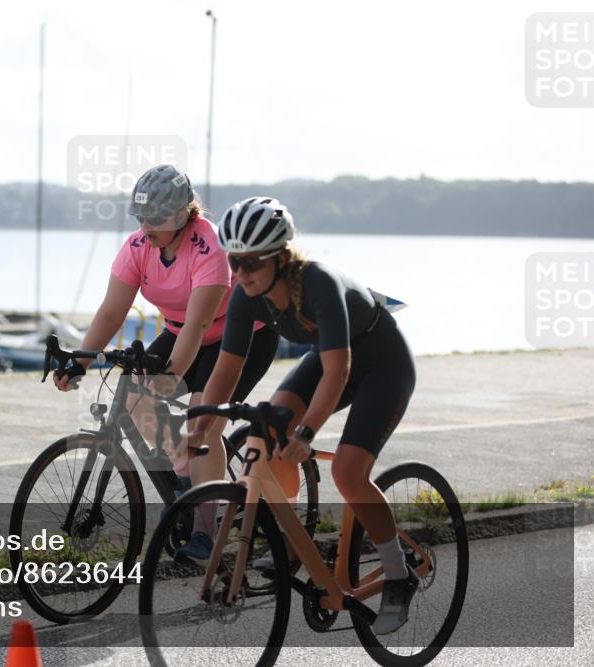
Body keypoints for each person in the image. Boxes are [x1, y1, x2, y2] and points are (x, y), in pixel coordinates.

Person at [182, 196, 419, 636]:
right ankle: (292, 542)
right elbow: (227, 370)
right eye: (234, 261)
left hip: (382, 364)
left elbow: (338, 371)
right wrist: (199, 430)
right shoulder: (246, 296)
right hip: (329, 361)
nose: (241, 272)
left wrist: (307, 432)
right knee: (271, 434)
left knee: (348, 472)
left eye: (252, 261)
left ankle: (398, 572)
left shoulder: (318, 284)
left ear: (281, 257)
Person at [53, 165, 280, 560]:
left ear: (181, 214)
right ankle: (184, 474)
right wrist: (80, 363)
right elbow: (111, 311)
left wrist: (172, 375)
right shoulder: (138, 246)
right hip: (180, 330)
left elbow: (199, 324)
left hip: (239, 335)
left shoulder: (209, 247)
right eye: (141, 217)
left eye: (155, 218)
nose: (146, 226)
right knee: (134, 395)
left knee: (203, 419)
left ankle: (205, 532)